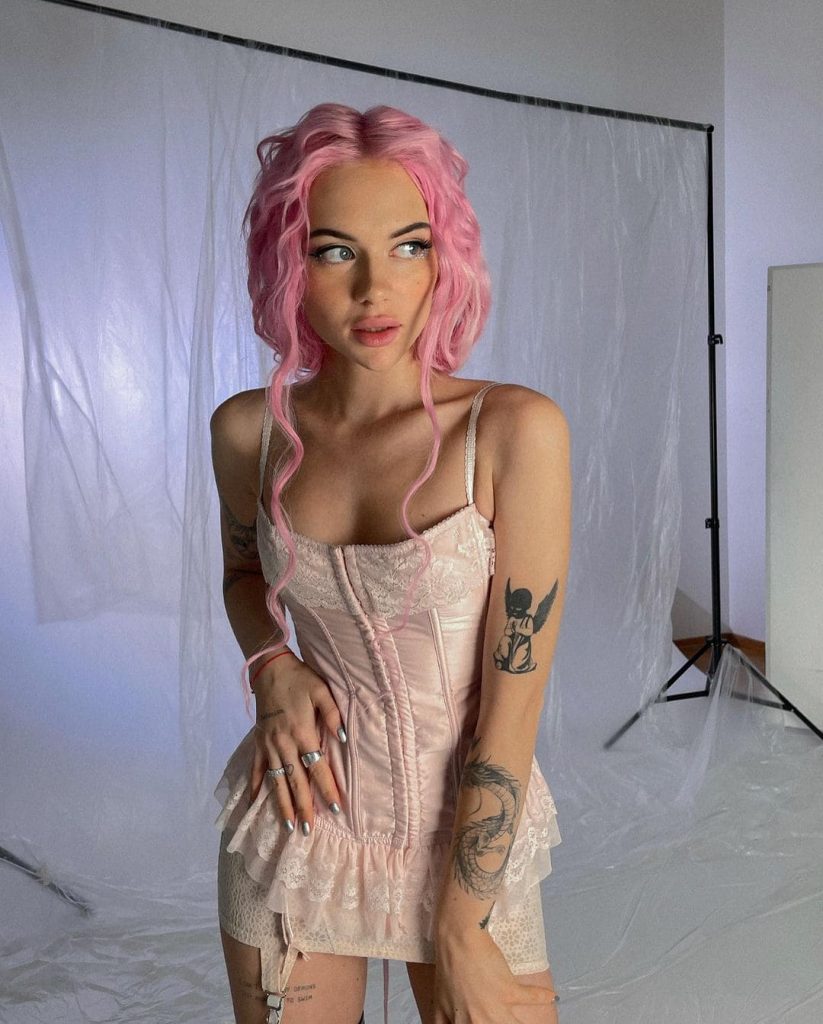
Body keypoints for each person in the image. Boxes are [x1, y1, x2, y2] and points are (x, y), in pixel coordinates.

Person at [211, 103, 571, 1024]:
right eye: (334, 251)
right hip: (299, 823)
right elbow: (244, 578)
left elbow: (513, 705)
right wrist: (272, 666)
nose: (377, 289)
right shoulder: (250, 432)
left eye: (409, 246)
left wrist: (460, 923)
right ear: (288, 264)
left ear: (445, 256)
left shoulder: (512, 430)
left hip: (467, 838)